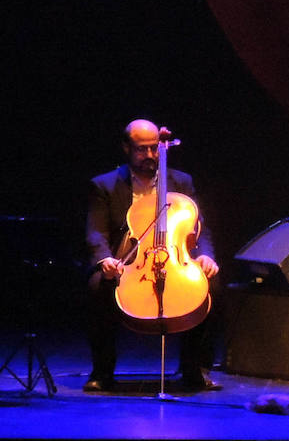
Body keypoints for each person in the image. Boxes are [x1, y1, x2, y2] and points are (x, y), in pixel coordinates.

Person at [84, 118, 221, 391]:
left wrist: (206, 255)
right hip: (128, 262)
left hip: (175, 258)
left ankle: (195, 369)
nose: (149, 155)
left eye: (154, 149)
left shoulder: (181, 181)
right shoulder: (104, 185)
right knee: (97, 286)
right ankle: (102, 371)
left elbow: (199, 227)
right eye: (141, 149)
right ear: (126, 148)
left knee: (211, 284)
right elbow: (96, 233)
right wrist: (105, 260)